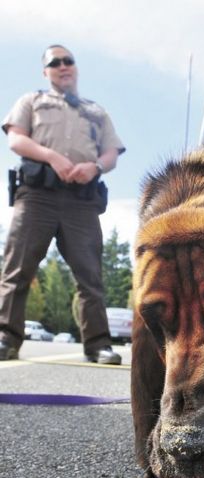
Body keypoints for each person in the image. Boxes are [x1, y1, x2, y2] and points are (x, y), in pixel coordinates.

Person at [0, 44, 125, 364]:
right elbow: (15, 138)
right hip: (37, 195)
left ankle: (98, 345)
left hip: (81, 203)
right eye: (54, 62)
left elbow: (111, 152)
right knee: (17, 268)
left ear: (76, 67)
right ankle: (5, 337)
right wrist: (52, 156)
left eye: (68, 60)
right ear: (46, 72)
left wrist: (95, 167)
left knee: (90, 276)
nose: (62, 65)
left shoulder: (97, 111)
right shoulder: (32, 101)